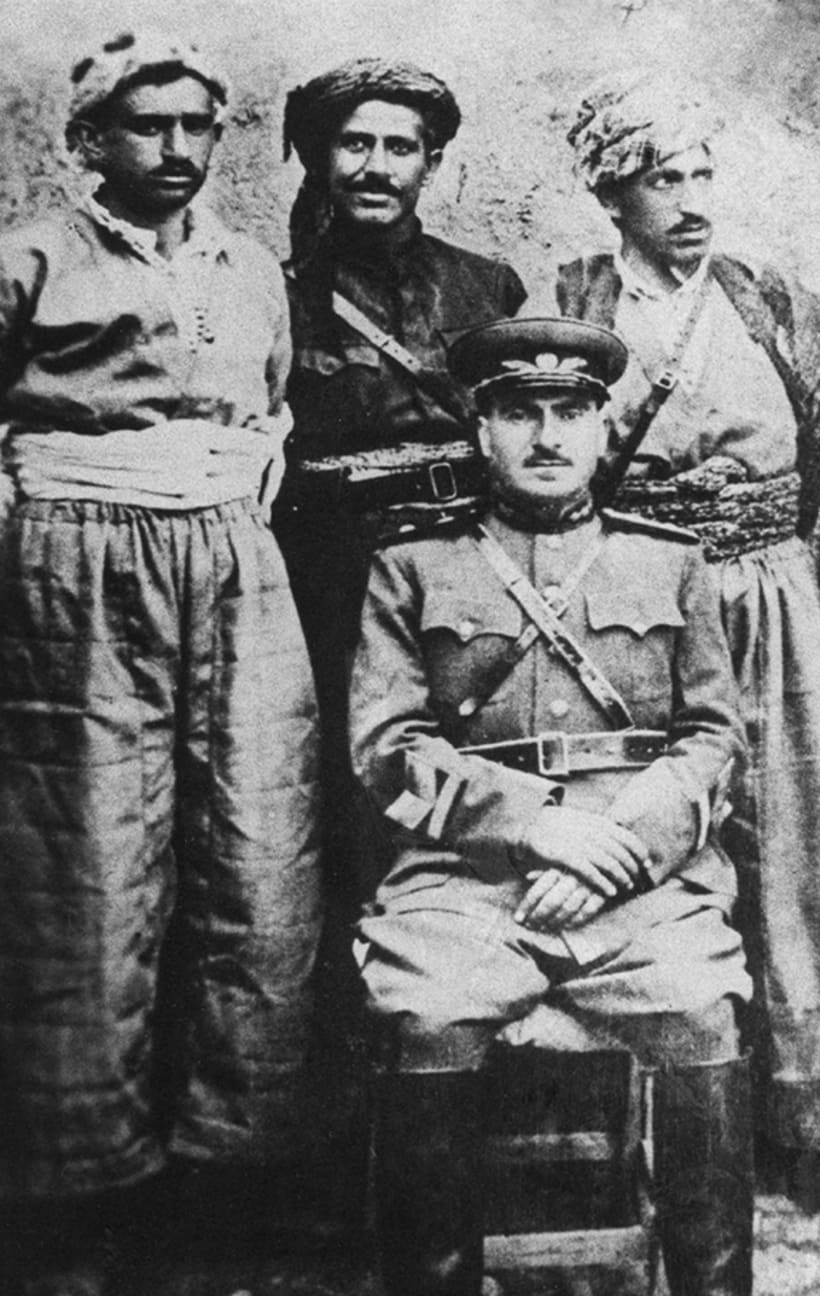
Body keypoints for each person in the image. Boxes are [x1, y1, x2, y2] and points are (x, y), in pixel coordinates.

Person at [349, 316, 766, 1296]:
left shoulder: (666, 559)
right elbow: (388, 744)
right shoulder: (412, 567)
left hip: (638, 875)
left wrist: (620, 843)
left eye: (568, 413)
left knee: (700, 1006)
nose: (544, 435)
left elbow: (714, 739)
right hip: (471, 871)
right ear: (480, 428)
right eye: (518, 413)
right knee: (420, 1010)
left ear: (600, 428)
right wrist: (536, 825)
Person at [0, 32, 321, 1296]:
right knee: (86, 874)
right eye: (148, 125)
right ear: (90, 139)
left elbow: (272, 414)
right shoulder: (31, 253)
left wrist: (231, 496)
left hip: (233, 569)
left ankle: (231, 1179)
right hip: (72, 577)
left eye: (200, 126)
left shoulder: (248, 268)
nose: (178, 150)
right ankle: (76, 1207)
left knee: (256, 848)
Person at [557, 76, 820, 1249]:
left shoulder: (773, 304)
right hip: (638, 607)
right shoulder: (573, 303)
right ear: (611, 192)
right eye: (662, 178)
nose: (690, 201)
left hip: (770, 591)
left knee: (805, 846)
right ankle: (666, 1142)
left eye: (702, 173)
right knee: (648, 840)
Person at [274, 58, 526, 903]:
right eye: (354, 144)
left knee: (472, 768)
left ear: (433, 161)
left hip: (462, 572)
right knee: (352, 780)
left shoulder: (487, 285)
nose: (377, 166)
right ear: (319, 156)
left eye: (400, 146)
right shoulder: (280, 294)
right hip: (333, 573)